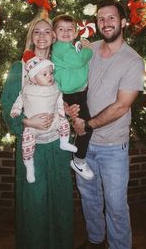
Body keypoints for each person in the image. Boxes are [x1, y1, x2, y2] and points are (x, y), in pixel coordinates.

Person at [68, 0, 145, 249]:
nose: (106, 23)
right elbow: (74, 84)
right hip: (85, 145)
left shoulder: (133, 61)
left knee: (115, 205)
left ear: (123, 22)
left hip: (113, 147)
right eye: (101, 18)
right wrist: (70, 109)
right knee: (89, 198)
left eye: (111, 18)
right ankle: (94, 240)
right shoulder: (89, 50)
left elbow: (122, 106)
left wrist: (87, 125)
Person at [1, 13, 74, 249]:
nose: (41, 36)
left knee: (60, 199)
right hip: (31, 146)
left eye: (46, 31)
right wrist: (27, 122)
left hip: (57, 145)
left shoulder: (60, 66)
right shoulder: (18, 68)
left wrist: (70, 109)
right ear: (31, 37)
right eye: (36, 32)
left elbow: (68, 98)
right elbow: (7, 108)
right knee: (35, 200)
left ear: (54, 36)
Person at [10, 55, 77, 183]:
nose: (50, 76)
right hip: (32, 127)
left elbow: (59, 101)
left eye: (51, 73)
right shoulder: (28, 89)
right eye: (44, 74)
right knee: (27, 141)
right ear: (34, 78)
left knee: (63, 123)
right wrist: (16, 110)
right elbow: (20, 100)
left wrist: (61, 114)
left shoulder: (55, 87)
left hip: (53, 122)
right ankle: (29, 165)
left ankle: (64, 142)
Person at [52, 14, 94, 180]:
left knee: (82, 125)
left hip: (79, 92)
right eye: (61, 29)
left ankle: (74, 149)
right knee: (86, 128)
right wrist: (88, 50)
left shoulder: (70, 46)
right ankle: (79, 161)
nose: (66, 32)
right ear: (54, 33)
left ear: (76, 32)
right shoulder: (61, 47)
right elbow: (78, 61)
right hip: (72, 94)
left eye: (70, 29)